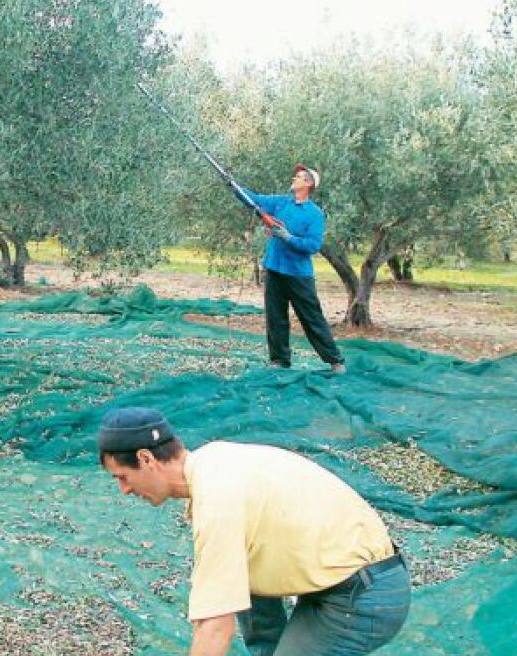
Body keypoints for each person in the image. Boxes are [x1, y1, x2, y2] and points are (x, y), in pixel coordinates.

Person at [97, 407, 410, 656]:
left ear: (146, 458)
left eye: (122, 477)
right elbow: (229, 596)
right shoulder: (215, 460)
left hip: (364, 596)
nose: (124, 490)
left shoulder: (217, 495)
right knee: (239, 580)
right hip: (336, 584)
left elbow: (214, 626)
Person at [234, 165, 346, 373]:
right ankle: (279, 361)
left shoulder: (315, 214)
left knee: (312, 318)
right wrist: (234, 185)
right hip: (274, 268)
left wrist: (289, 238)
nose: (295, 177)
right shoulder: (281, 202)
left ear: (309, 184)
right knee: (275, 318)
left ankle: (335, 361)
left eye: (300, 176)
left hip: (298, 275)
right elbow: (255, 200)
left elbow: (312, 246)